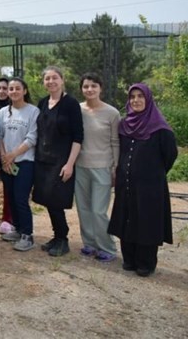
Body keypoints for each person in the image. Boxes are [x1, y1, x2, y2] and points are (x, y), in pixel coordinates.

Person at [108, 84, 177, 277]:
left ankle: (145, 263)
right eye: (132, 97)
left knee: (147, 221)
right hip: (126, 183)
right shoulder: (123, 125)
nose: (136, 100)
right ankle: (129, 258)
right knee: (127, 218)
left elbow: (170, 155)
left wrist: (151, 173)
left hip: (150, 186)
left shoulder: (160, 128)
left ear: (148, 100)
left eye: (140, 96)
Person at [34, 66, 83, 257]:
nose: (51, 82)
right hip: (42, 159)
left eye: (55, 78)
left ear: (62, 80)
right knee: (47, 199)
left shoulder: (71, 104)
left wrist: (70, 163)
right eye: (47, 79)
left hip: (61, 160)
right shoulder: (43, 103)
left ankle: (63, 239)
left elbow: (78, 137)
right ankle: (56, 236)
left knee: (57, 200)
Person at [75, 73, 120, 262]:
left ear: (100, 88)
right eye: (86, 86)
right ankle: (90, 244)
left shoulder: (112, 113)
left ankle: (107, 247)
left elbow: (115, 142)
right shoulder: (77, 110)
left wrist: (115, 167)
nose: (90, 90)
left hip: (102, 167)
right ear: (81, 89)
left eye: (94, 86)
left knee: (98, 210)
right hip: (80, 166)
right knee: (83, 208)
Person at [0, 78, 39, 251]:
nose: (13, 91)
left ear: (25, 91)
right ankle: (17, 229)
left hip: (25, 162)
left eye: (17, 88)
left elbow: (32, 138)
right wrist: (4, 158)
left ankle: (27, 235)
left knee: (21, 198)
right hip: (7, 163)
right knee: (11, 196)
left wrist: (13, 155)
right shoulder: (2, 113)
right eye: (11, 89)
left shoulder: (33, 111)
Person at [0, 76, 14, 235]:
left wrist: (6, 155)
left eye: (5, 88)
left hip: (9, 158)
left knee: (9, 187)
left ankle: (7, 219)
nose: (1, 91)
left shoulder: (16, 109)